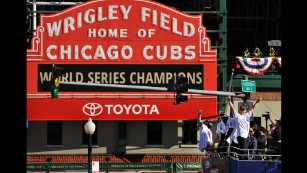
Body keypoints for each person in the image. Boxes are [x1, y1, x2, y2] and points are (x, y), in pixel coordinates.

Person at [226, 95, 262, 159]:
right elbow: (232, 108)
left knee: (244, 150)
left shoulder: (248, 115)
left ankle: (242, 158)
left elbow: (253, 108)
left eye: (244, 109)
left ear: (246, 110)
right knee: (243, 151)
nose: (242, 110)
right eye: (241, 109)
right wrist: (229, 101)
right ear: (240, 110)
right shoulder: (238, 116)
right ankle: (242, 161)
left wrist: (257, 102)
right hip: (242, 136)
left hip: (246, 136)